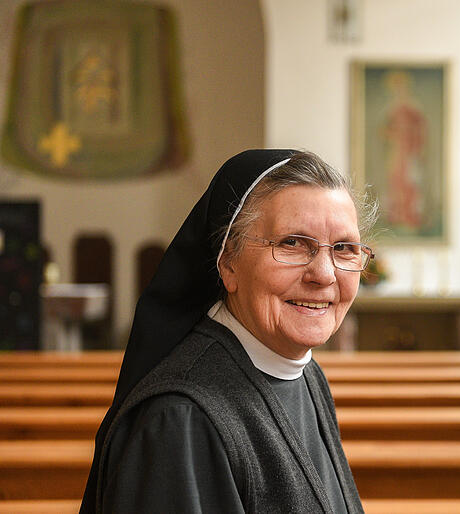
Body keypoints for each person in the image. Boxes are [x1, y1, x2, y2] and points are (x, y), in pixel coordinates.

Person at [80, 149, 376, 513]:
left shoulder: (306, 373)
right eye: (292, 243)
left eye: (344, 249)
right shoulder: (179, 420)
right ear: (228, 265)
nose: (324, 275)